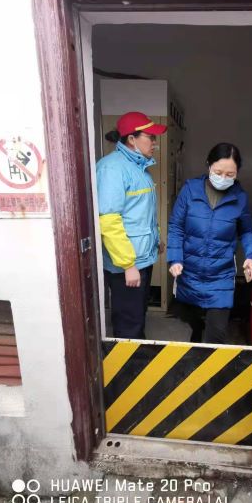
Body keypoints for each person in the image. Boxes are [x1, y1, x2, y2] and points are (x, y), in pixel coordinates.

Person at [167, 143, 252, 343]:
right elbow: (176, 227)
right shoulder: (190, 190)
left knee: (216, 333)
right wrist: (174, 258)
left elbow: (247, 231)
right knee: (188, 317)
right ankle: (197, 328)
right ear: (208, 165)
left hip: (221, 275)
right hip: (189, 271)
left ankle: (208, 360)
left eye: (230, 174)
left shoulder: (240, 198)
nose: (223, 178)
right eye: (218, 172)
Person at [96, 111, 167, 339]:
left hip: (142, 257)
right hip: (127, 263)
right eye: (150, 137)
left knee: (137, 314)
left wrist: (156, 239)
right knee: (129, 322)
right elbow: (109, 221)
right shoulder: (112, 169)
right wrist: (128, 265)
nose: (155, 142)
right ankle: (130, 361)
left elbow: (140, 214)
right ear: (131, 139)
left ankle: (139, 356)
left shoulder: (139, 168)